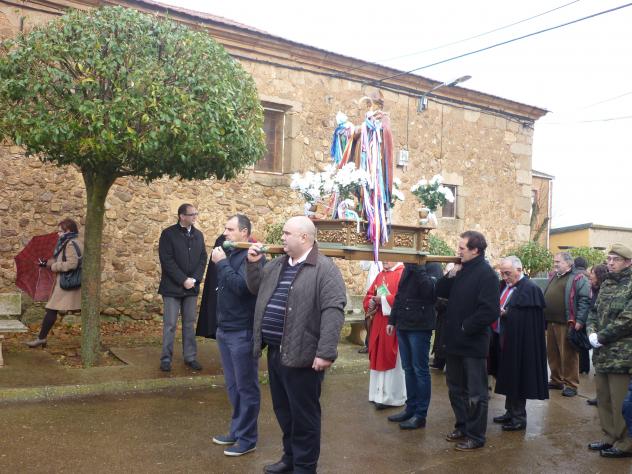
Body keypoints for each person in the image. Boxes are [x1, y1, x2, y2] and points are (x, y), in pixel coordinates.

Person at [246, 216, 346, 474]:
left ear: (304, 237)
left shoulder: (325, 269)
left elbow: (333, 311)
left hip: (304, 356)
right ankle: (290, 458)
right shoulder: (277, 265)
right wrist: (254, 264)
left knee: (304, 416)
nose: (282, 237)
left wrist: (325, 352)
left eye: (287, 233)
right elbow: (256, 289)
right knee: (284, 411)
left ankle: (304, 466)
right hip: (276, 352)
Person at [435, 230, 500, 451]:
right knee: (455, 389)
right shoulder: (461, 270)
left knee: (476, 393)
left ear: (475, 250)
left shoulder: (487, 275)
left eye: (462, 248)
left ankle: (476, 435)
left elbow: (490, 311)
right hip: (454, 343)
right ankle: (462, 426)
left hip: (472, 344)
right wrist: (451, 274)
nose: (458, 251)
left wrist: (465, 327)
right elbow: (439, 291)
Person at [209, 215, 263, 457]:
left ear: (244, 232)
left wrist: (221, 264)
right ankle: (237, 430)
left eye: (230, 229)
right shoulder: (231, 253)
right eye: (225, 228)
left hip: (242, 331)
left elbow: (243, 288)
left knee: (246, 387)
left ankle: (248, 438)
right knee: (233, 386)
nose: (225, 233)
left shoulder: (252, 256)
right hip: (225, 329)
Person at [586, 243, 632, 459]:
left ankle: (625, 442)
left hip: (622, 355)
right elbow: (593, 311)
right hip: (602, 352)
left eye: (616, 259)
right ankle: (610, 436)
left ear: (628, 262)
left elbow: (628, 319)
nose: (610, 263)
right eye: (609, 259)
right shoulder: (606, 284)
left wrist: (601, 336)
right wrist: (591, 332)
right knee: (603, 398)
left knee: (619, 400)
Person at [492, 256, 548, 431]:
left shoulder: (530, 289)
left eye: (507, 273)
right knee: (508, 376)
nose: (504, 277)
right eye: (502, 273)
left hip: (521, 343)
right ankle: (510, 412)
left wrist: (506, 314)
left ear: (519, 270)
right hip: (504, 339)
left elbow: (529, 320)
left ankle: (518, 417)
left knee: (518, 377)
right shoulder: (505, 286)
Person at [385, 262, 442, 430]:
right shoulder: (408, 266)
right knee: (408, 369)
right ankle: (410, 408)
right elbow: (400, 295)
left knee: (420, 370)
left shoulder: (433, 266)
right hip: (403, 324)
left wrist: (418, 267)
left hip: (420, 326)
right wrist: (392, 320)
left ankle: (420, 414)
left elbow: (430, 293)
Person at [157, 203, 207, 372]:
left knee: (189, 324)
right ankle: (166, 359)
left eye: (196, 213)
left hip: (191, 288)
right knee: (170, 324)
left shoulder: (198, 235)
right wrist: (183, 279)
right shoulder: (168, 234)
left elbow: (203, 259)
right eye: (192, 214)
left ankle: (190, 357)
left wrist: (194, 279)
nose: (195, 217)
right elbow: (167, 260)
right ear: (182, 216)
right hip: (172, 288)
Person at [25, 218, 83, 348]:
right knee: (52, 309)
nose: (58, 233)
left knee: (51, 309)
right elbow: (61, 259)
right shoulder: (69, 241)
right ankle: (42, 338)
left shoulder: (71, 243)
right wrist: (46, 263)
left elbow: (72, 264)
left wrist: (53, 266)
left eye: (60, 231)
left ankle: (41, 339)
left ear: (68, 231)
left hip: (67, 283)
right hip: (67, 283)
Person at [543, 252, 591, 397]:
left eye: (558, 262)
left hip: (567, 323)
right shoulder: (554, 276)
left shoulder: (578, 278)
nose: (555, 264)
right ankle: (556, 380)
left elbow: (584, 300)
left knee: (569, 355)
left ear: (569, 263)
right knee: (553, 354)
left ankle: (571, 384)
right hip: (551, 322)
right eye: (554, 261)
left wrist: (580, 321)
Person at [362, 261, 405, 410]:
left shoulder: (402, 273)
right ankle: (377, 395)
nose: (385, 261)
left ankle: (392, 397)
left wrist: (383, 300)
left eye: (388, 258)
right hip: (378, 322)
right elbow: (370, 294)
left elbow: (402, 299)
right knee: (377, 356)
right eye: (383, 258)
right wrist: (371, 302)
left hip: (392, 323)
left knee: (390, 358)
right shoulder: (381, 275)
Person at [586, 263, 609, 406]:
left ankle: (605, 397)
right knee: (597, 366)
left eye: (592, 274)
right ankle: (600, 396)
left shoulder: (604, 290)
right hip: (596, 334)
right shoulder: (596, 290)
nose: (590, 276)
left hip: (605, 336)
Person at [574, 257, 591, 375]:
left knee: (577, 342)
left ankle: (579, 367)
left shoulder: (575, 277)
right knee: (584, 342)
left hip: (577, 315)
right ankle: (585, 367)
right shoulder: (589, 276)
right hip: (587, 315)